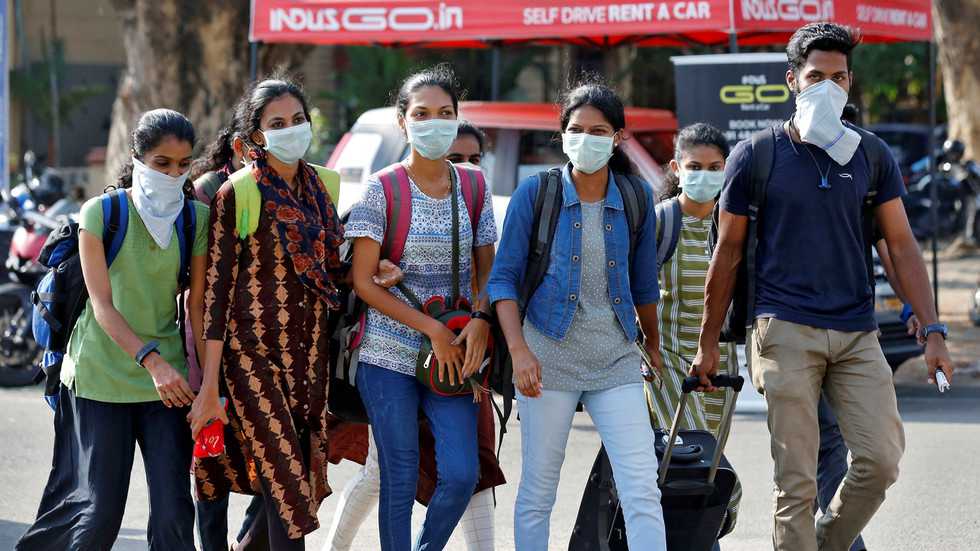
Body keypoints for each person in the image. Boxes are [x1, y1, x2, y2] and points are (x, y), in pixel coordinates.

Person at [694, 23, 954, 551]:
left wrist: (933, 329)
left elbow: (901, 246)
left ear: (850, 84)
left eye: (839, 79)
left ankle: (823, 541)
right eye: (816, 77)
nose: (828, 88)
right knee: (797, 480)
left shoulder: (871, 155)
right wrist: (707, 343)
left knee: (881, 461)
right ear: (792, 80)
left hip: (857, 333)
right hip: (782, 327)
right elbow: (728, 253)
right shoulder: (756, 155)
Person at [17, 109, 209, 550]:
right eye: (162, 163)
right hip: (100, 374)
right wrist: (151, 360)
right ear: (139, 159)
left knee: (174, 513)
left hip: (168, 385)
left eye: (183, 165)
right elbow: (101, 305)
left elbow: (196, 306)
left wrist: (207, 383)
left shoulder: (195, 218)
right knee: (96, 512)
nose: (173, 174)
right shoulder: (101, 212)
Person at [488, 80, 667, 551]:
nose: (585, 138)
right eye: (576, 128)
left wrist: (652, 344)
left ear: (618, 138)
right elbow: (503, 281)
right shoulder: (537, 193)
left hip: (615, 360)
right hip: (546, 362)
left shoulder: (635, 197)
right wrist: (520, 352)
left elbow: (644, 284)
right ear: (562, 133)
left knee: (642, 488)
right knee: (538, 491)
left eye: (598, 130)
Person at [325, 119, 503, 551]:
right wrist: (431, 328)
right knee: (396, 473)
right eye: (423, 113)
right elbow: (363, 281)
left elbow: (488, 270)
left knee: (463, 475)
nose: (435, 123)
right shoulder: (381, 188)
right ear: (404, 121)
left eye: (445, 111)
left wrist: (480, 319)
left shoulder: (475, 188)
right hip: (387, 351)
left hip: (454, 354)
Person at [191, 75, 346, 550]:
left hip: (308, 361)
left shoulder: (326, 186)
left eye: (298, 119)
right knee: (286, 486)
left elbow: (333, 267)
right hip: (250, 360)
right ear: (255, 136)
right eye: (277, 123)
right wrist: (211, 386)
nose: (291, 129)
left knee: (293, 481)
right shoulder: (237, 192)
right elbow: (214, 298)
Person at [646, 123, 742, 547]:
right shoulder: (659, 222)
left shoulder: (736, 225)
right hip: (666, 366)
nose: (705, 174)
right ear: (676, 168)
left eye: (715, 166)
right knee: (700, 467)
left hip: (720, 372)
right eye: (694, 166)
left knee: (695, 470)